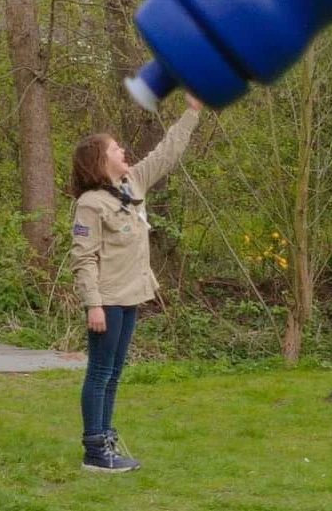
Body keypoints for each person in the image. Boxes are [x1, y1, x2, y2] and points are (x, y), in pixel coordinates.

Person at [69, 94, 202, 472]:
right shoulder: (90, 204)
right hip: (107, 301)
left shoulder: (133, 182)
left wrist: (191, 112)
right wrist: (93, 304)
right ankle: (94, 451)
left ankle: (106, 437)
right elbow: (83, 258)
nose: (123, 150)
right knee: (99, 372)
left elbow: (167, 152)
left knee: (114, 372)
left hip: (131, 297)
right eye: (115, 148)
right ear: (99, 159)